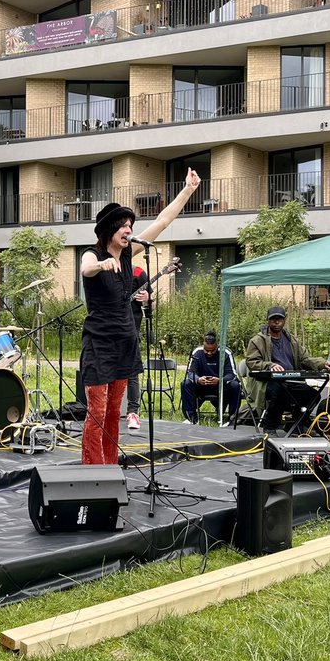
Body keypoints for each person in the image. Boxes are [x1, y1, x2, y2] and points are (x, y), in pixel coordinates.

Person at [79, 168, 201, 464]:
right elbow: (85, 268)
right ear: (109, 230)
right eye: (123, 225)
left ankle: (109, 469)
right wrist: (100, 267)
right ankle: (91, 472)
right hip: (99, 344)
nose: (129, 230)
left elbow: (162, 221)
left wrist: (187, 190)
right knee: (96, 411)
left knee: (113, 412)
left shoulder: (131, 253)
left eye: (131, 225)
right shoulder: (93, 254)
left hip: (125, 342)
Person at [244, 306, 330, 432]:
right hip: (267, 383)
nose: (276, 322)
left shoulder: (291, 340)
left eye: (279, 319)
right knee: (279, 391)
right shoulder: (257, 341)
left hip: (291, 381)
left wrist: (322, 364)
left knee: (313, 395)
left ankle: (296, 425)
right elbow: (252, 362)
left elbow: (305, 359)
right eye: (273, 319)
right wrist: (270, 366)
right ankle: (270, 427)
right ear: (268, 321)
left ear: (284, 320)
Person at [181, 331, 240, 424]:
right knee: (185, 384)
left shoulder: (226, 353)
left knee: (235, 385)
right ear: (203, 345)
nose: (209, 353)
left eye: (212, 350)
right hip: (202, 385)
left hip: (220, 386)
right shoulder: (197, 352)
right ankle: (191, 417)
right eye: (206, 350)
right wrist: (198, 379)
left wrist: (220, 380)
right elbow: (190, 372)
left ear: (217, 346)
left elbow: (232, 374)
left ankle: (232, 418)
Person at [125, 264, 148, 432]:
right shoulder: (106, 269)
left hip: (132, 329)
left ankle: (133, 412)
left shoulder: (138, 272)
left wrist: (148, 299)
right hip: (108, 329)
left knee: (132, 371)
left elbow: (152, 306)